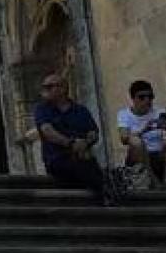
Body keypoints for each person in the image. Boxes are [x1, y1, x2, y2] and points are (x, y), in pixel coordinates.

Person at [33, 73, 114, 205]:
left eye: (49, 87)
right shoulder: (42, 109)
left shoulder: (81, 110)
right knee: (87, 168)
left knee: (85, 163)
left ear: (63, 88)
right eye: (44, 87)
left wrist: (86, 142)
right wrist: (71, 143)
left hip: (82, 156)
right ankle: (105, 195)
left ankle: (103, 196)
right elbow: (47, 131)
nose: (44, 90)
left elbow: (93, 132)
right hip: (57, 158)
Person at [117, 79, 166, 189]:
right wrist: (144, 129)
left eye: (150, 97)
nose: (147, 100)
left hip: (159, 156)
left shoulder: (159, 111)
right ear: (133, 99)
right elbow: (124, 138)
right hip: (138, 159)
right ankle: (153, 180)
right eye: (142, 97)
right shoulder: (124, 114)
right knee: (135, 142)